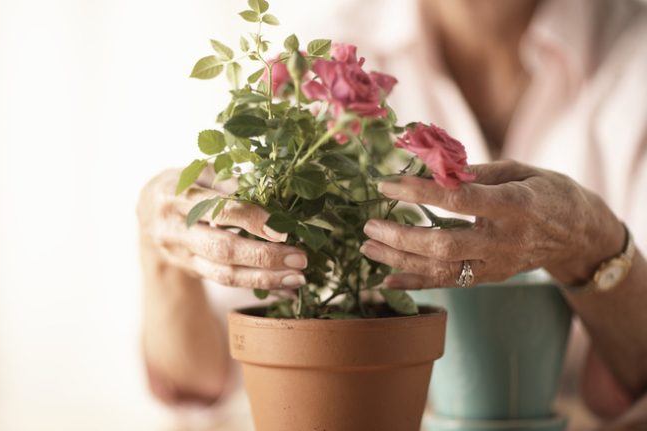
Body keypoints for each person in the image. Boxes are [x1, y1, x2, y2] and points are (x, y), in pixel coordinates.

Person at [137, 0, 647, 428]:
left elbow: (626, 384)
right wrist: (164, 256)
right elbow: (202, 376)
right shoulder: (325, 61)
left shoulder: (634, 54)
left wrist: (594, 241)